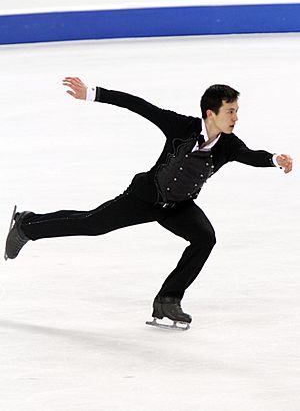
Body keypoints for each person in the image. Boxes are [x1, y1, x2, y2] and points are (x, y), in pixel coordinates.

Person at [5, 77, 293, 328]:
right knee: (92, 224)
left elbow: (251, 155)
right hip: (145, 197)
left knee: (204, 238)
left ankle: (168, 299)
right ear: (211, 113)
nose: (235, 118)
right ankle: (28, 225)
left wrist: (274, 161)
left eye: (236, 111)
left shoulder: (229, 145)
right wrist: (92, 93)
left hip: (178, 206)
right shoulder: (182, 126)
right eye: (230, 111)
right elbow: (140, 106)